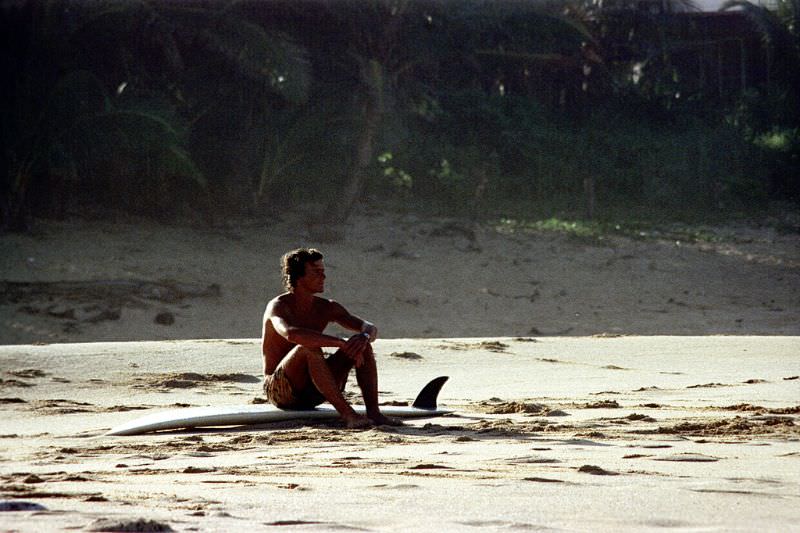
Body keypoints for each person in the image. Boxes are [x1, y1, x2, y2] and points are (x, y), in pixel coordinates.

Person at [261, 248, 401, 429]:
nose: (323, 277)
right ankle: (349, 415)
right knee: (307, 347)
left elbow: (369, 327)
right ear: (298, 276)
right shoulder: (278, 306)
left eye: (323, 272)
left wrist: (364, 336)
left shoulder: (327, 307)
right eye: (316, 272)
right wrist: (340, 343)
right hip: (281, 390)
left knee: (362, 344)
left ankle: (374, 413)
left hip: (314, 392)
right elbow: (291, 334)